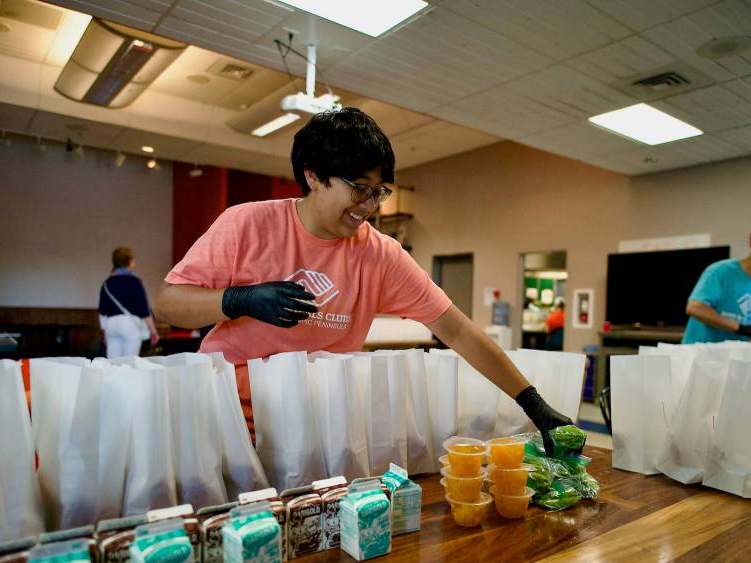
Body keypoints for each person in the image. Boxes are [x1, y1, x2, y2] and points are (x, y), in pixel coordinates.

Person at [155, 107, 571, 450]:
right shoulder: (246, 223)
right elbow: (169, 305)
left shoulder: (379, 255)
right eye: (359, 188)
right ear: (314, 175)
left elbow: (457, 330)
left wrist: (532, 402)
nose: (370, 205)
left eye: (380, 191)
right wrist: (238, 300)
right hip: (228, 417)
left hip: (316, 425)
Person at [99, 246, 159, 357]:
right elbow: (144, 309)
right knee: (129, 363)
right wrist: (153, 331)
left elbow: (102, 311)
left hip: (111, 325)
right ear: (130, 261)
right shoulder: (135, 282)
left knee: (113, 364)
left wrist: (104, 333)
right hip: (129, 324)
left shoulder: (107, 283)